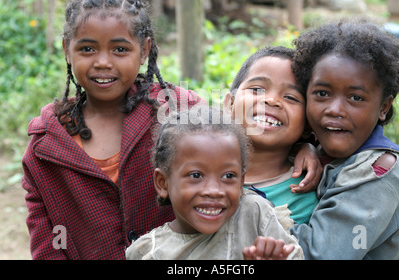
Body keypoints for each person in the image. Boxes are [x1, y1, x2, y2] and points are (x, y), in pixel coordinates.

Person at [21, 0, 201, 259]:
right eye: (87, 49)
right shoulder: (45, 146)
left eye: (119, 49)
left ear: (144, 50)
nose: (103, 62)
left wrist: (296, 148)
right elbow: (48, 246)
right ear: (67, 49)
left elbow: (238, 158)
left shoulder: (182, 113)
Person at [290, 18, 399, 259]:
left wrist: (250, 218)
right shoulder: (310, 145)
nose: (335, 109)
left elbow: (321, 255)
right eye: (322, 93)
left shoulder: (378, 174)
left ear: (384, 107)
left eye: (355, 98)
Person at [125, 108, 303, 260]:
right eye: (196, 175)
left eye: (228, 176)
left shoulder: (253, 215)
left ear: (241, 182)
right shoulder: (148, 252)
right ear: (163, 183)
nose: (214, 190)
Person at [224, 46, 320, 225]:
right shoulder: (198, 168)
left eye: (291, 97)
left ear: (308, 124)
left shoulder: (302, 195)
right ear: (229, 104)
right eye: (257, 89)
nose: (272, 100)